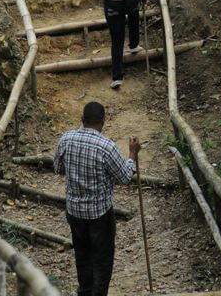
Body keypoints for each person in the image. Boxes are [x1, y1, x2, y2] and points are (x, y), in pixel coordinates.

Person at [53, 102, 140, 296]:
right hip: (99, 215)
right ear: (103, 121)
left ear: (82, 120)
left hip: (74, 212)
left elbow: (58, 168)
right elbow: (125, 177)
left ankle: (84, 292)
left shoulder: (66, 139)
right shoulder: (106, 147)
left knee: (82, 255)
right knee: (101, 260)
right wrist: (132, 154)